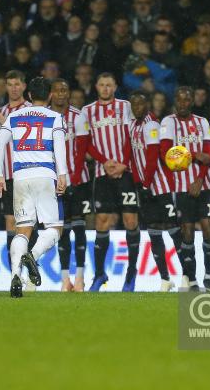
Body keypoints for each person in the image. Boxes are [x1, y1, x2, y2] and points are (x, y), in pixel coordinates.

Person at [0, 77, 67, 298]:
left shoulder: (14, 117)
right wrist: (62, 175)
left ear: (30, 96)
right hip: (45, 174)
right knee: (55, 228)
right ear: (50, 95)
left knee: (23, 229)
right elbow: (59, 147)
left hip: (21, 177)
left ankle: (15, 274)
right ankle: (32, 256)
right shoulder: (55, 117)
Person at [79, 72, 138, 292]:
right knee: (102, 221)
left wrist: (122, 163)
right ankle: (99, 273)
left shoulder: (126, 106)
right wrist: (104, 162)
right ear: (96, 86)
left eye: (109, 85)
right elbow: (86, 143)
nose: (105, 88)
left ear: (114, 87)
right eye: (102, 85)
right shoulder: (87, 111)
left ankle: (131, 274)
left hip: (126, 171)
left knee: (130, 220)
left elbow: (131, 136)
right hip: (103, 173)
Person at [160, 86, 210, 291]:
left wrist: (200, 179)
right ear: (175, 100)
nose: (183, 103)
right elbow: (166, 154)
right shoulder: (168, 122)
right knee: (187, 234)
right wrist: (193, 154)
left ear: (192, 101)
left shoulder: (202, 122)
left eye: (187, 100)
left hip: (204, 185)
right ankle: (191, 279)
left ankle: (208, 277)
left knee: (209, 230)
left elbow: (209, 155)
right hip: (181, 186)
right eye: (180, 99)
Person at [128, 91, 183, 292]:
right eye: (134, 104)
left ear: (147, 105)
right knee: (153, 233)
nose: (137, 108)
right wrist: (138, 183)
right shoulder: (132, 126)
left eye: (141, 104)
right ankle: (165, 279)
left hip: (160, 187)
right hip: (144, 188)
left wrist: (145, 184)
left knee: (174, 230)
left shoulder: (152, 125)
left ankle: (187, 276)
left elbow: (152, 157)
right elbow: (133, 158)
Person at [0, 70, 32, 268]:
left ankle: (30, 269)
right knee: (11, 223)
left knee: (28, 224)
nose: (13, 88)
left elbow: (19, 135)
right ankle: (15, 272)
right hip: (10, 178)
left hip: (29, 175)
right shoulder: (2, 112)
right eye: (9, 84)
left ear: (24, 86)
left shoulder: (31, 109)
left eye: (17, 84)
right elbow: (1, 146)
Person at [50, 78, 91, 292]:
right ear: (51, 94)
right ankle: (65, 280)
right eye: (57, 90)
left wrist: (72, 177)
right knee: (62, 230)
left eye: (64, 90)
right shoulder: (45, 117)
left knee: (80, 228)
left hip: (79, 180)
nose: (60, 94)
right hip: (55, 182)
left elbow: (82, 150)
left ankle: (81, 278)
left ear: (68, 94)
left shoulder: (79, 115)